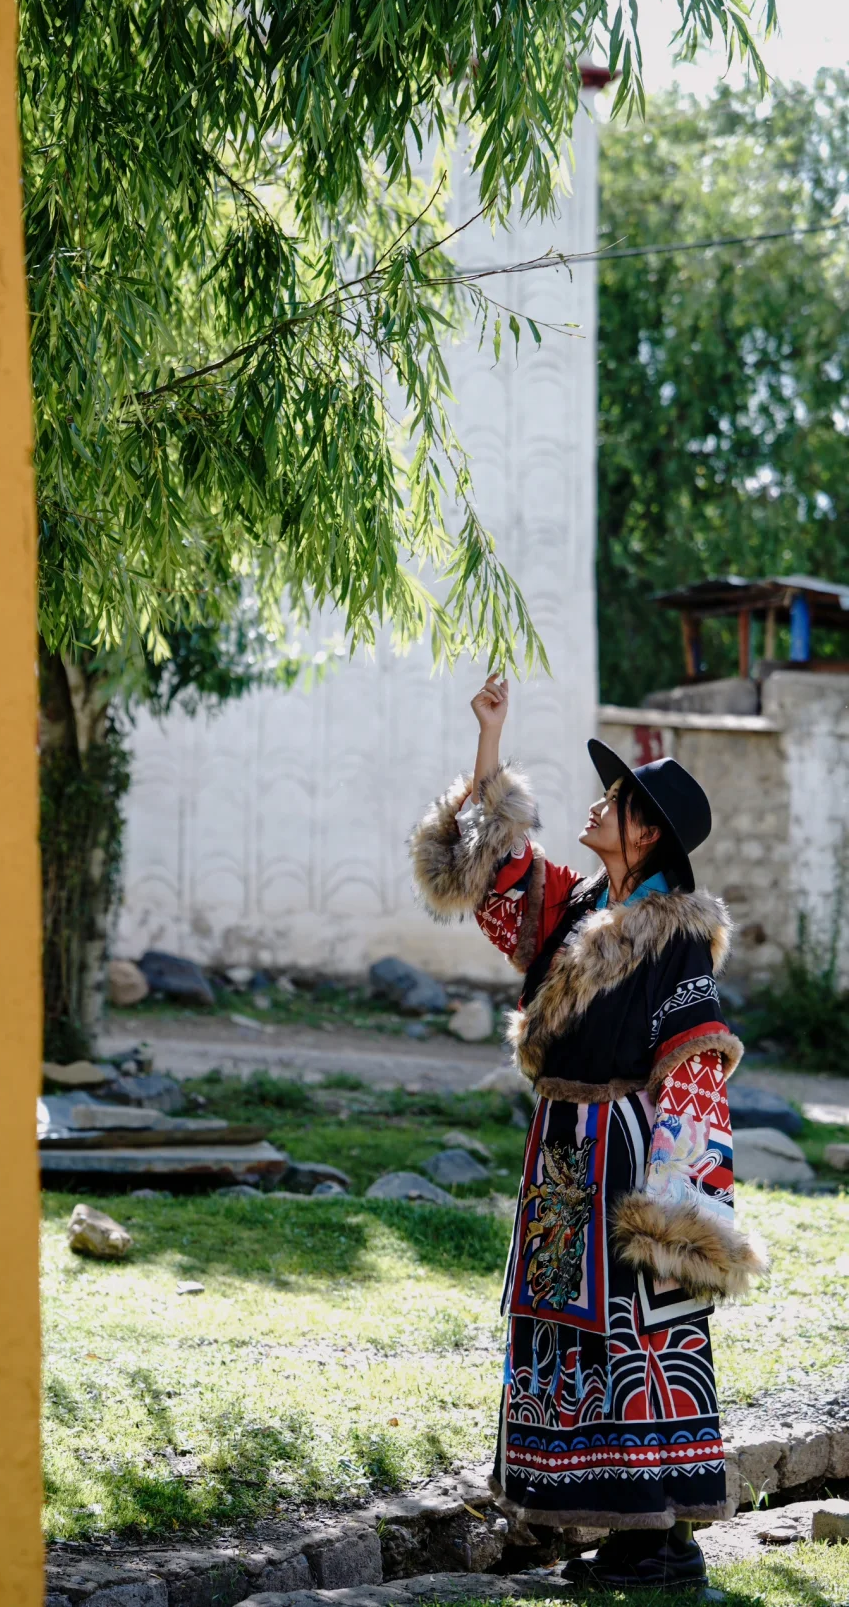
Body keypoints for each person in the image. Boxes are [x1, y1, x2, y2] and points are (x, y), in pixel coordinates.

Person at [408, 674, 766, 1592]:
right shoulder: (573, 910)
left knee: (632, 1332)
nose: (597, 804)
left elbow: (692, 1065)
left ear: (644, 832)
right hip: (563, 1153)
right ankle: (623, 1526)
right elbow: (490, 876)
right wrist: (491, 739)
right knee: (571, 1334)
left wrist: (677, 1208)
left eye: (614, 799)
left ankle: (657, 1536)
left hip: (630, 1156)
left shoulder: (672, 936)